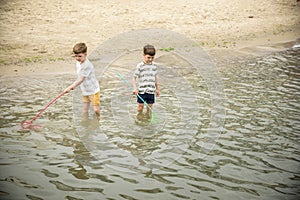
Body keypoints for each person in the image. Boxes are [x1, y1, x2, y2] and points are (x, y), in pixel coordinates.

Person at [64, 43, 100, 122]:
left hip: (93, 90)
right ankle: (84, 123)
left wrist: (70, 87)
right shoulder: (78, 62)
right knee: (84, 110)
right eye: (76, 56)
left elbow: (81, 79)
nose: (77, 58)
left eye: (80, 56)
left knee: (96, 110)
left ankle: (97, 122)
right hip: (85, 90)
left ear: (85, 54)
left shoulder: (87, 65)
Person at [132, 44, 160, 120]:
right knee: (140, 107)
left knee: (149, 108)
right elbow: (134, 77)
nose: (150, 59)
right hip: (141, 91)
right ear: (143, 55)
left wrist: (157, 89)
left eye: (152, 58)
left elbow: (155, 78)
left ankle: (148, 120)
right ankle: (139, 119)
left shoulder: (154, 66)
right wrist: (135, 89)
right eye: (148, 57)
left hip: (151, 91)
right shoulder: (140, 66)